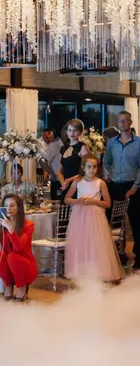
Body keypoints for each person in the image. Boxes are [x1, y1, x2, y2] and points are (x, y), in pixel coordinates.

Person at [65, 154, 124, 282]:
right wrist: (77, 201)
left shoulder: (100, 183)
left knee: (96, 243)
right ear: (83, 167)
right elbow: (67, 199)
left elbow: (107, 203)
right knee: (81, 243)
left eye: (94, 167)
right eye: (89, 167)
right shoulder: (77, 182)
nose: (92, 170)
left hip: (96, 217)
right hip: (79, 216)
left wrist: (93, 201)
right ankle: (81, 271)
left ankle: (98, 271)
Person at [104, 111, 140, 271]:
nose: (123, 123)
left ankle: (138, 256)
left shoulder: (138, 143)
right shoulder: (111, 143)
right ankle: (119, 255)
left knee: (136, 222)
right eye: (120, 121)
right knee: (114, 222)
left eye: (126, 121)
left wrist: (134, 188)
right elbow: (106, 161)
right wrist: (108, 177)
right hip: (115, 187)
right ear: (118, 123)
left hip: (133, 186)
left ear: (130, 123)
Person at [0, 194, 38, 301]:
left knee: (12, 256)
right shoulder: (1, 225)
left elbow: (18, 248)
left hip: (25, 268)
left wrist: (11, 228)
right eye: (6, 205)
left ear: (19, 208)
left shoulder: (28, 225)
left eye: (12, 205)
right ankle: (8, 286)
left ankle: (21, 287)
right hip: (9, 270)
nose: (8, 208)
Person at [58, 119, 90, 201]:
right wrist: (63, 184)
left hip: (79, 186)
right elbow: (59, 171)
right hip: (66, 187)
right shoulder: (63, 148)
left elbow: (86, 171)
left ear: (80, 132)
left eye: (75, 131)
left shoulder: (83, 148)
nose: (72, 133)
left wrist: (69, 180)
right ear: (67, 131)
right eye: (69, 130)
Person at [39, 128, 63, 200]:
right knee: (53, 196)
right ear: (43, 137)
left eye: (50, 138)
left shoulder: (56, 146)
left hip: (59, 175)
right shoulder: (40, 145)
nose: (49, 139)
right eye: (47, 138)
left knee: (58, 196)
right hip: (51, 175)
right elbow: (43, 161)